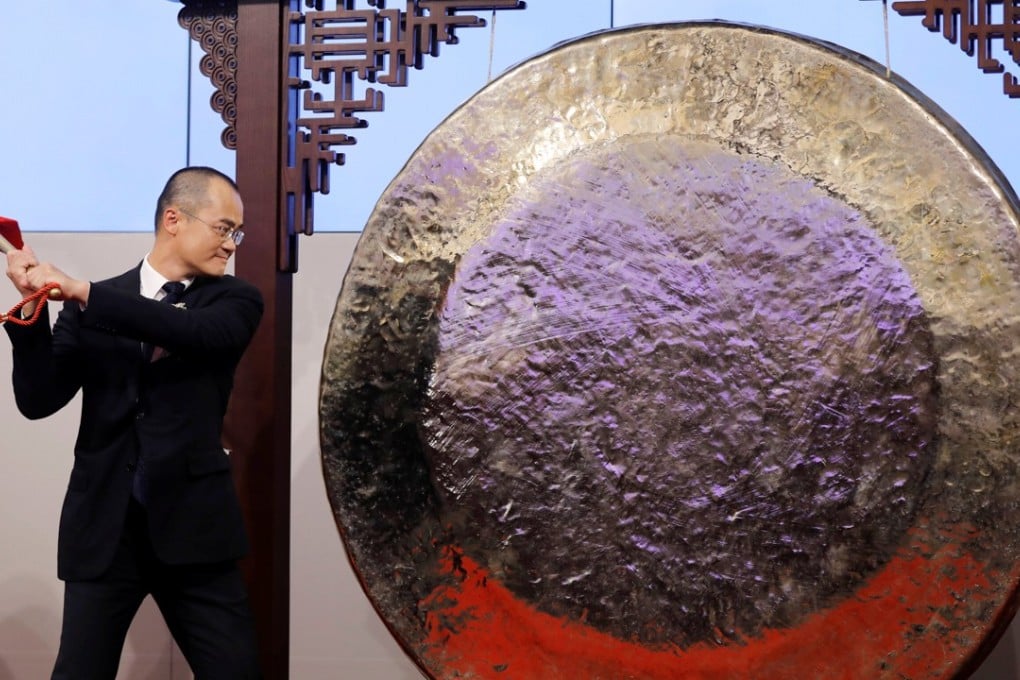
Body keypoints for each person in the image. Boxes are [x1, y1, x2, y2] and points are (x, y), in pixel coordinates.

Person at [4, 167, 264, 679]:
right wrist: (34, 307)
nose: (230, 244)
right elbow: (38, 400)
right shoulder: (93, 301)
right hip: (105, 527)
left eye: (237, 233)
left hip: (195, 529)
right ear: (174, 219)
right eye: (223, 228)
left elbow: (189, 331)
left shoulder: (234, 301)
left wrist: (82, 291)